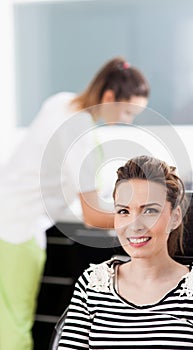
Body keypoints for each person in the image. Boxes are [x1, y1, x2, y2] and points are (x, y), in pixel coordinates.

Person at [0, 57, 149, 350]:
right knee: (14, 322)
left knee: (5, 319)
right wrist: (141, 219)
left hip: (8, 215)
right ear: (109, 97)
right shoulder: (80, 138)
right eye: (128, 110)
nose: (128, 119)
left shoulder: (61, 102)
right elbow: (92, 215)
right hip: (16, 231)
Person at [58, 155, 193, 349]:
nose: (135, 226)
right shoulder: (92, 283)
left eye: (149, 211)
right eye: (124, 211)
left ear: (174, 218)